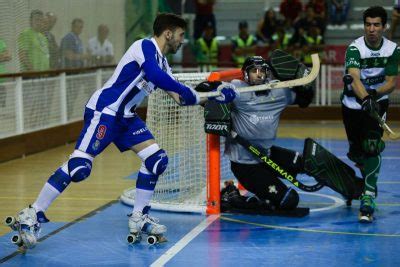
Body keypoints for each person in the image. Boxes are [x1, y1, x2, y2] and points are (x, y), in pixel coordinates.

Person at [10, 13, 238, 248]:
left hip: (127, 117)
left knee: (156, 160)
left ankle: (139, 217)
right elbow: (155, 76)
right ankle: (32, 215)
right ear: (168, 33)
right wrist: (188, 91)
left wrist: (214, 96)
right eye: (180, 35)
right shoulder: (144, 46)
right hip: (106, 111)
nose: (182, 41)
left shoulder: (163, 63)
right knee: (79, 168)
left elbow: (180, 98)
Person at [222, 55, 313, 211]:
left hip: (266, 154)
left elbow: (304, 101)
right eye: (254, 71)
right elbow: (210, 98)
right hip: (246, 166)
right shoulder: (237, 91)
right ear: (245, 74)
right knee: (289, 200)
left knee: (309, 164)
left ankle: (356, 187)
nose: (259, 74)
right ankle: (231, 196)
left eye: (263, 71)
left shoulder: (278, 92)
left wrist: (305, 83)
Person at [342, 6, 400, 223]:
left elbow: (391, 83)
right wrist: (365, 98)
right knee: (357, 154)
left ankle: (368, 197)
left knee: (372, 146)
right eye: (368, 24)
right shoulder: (355, 48)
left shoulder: (393, 49)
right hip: (352, 105)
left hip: (378, 103)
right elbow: (354, 77)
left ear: (384, 27)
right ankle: (367, 177)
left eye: (376, 25)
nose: (372, 29)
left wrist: (373, 96)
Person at [0, 38, 11, 107]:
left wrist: (3, 57)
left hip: (2, 76)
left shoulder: (1, 42)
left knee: (2, 105)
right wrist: (2, 56)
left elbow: (9, 57)